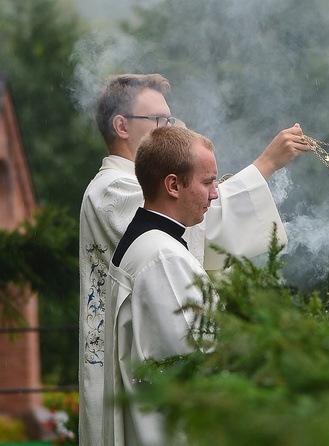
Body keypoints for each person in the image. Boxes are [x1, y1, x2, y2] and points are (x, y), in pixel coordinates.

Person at [78, 73, 309, 445]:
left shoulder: (147, 213)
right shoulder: (112, 191)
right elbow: (186, 222)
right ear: (121, 126)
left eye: (170, 120)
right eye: (159, 121)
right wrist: (265, 165)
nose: (169, 127)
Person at [103, 126, 219, 445]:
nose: (215, 193)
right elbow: (201, 357)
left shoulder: (148, 242)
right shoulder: (162, 256)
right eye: (207, 182)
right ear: (173, 185)